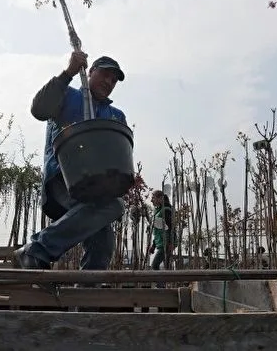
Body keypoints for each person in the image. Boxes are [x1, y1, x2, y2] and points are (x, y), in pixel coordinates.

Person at [13, 51, 127, 273]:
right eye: (105, 74)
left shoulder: (115, 116)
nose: (109, 82)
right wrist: (68, 73)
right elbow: (39, 110)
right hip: (64, 180)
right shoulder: (68, 96)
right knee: (113, 206)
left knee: (102, 242)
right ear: (90, 71)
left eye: (114, 80)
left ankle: (86, 297)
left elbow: (119, 153)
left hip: (98, 186)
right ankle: (37, 249)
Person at [148, 190, 174, 288]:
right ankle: (164, 286)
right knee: (165, 266)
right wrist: (153, 246)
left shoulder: (166, 210)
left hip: (166, 243)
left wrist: (170, 242)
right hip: (160, 243)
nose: (151, 200)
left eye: (153, 197)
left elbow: (171, 227)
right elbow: (158, 231)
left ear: (160, 198)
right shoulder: (158, 211)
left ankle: (161, 286)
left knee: (155, 265)